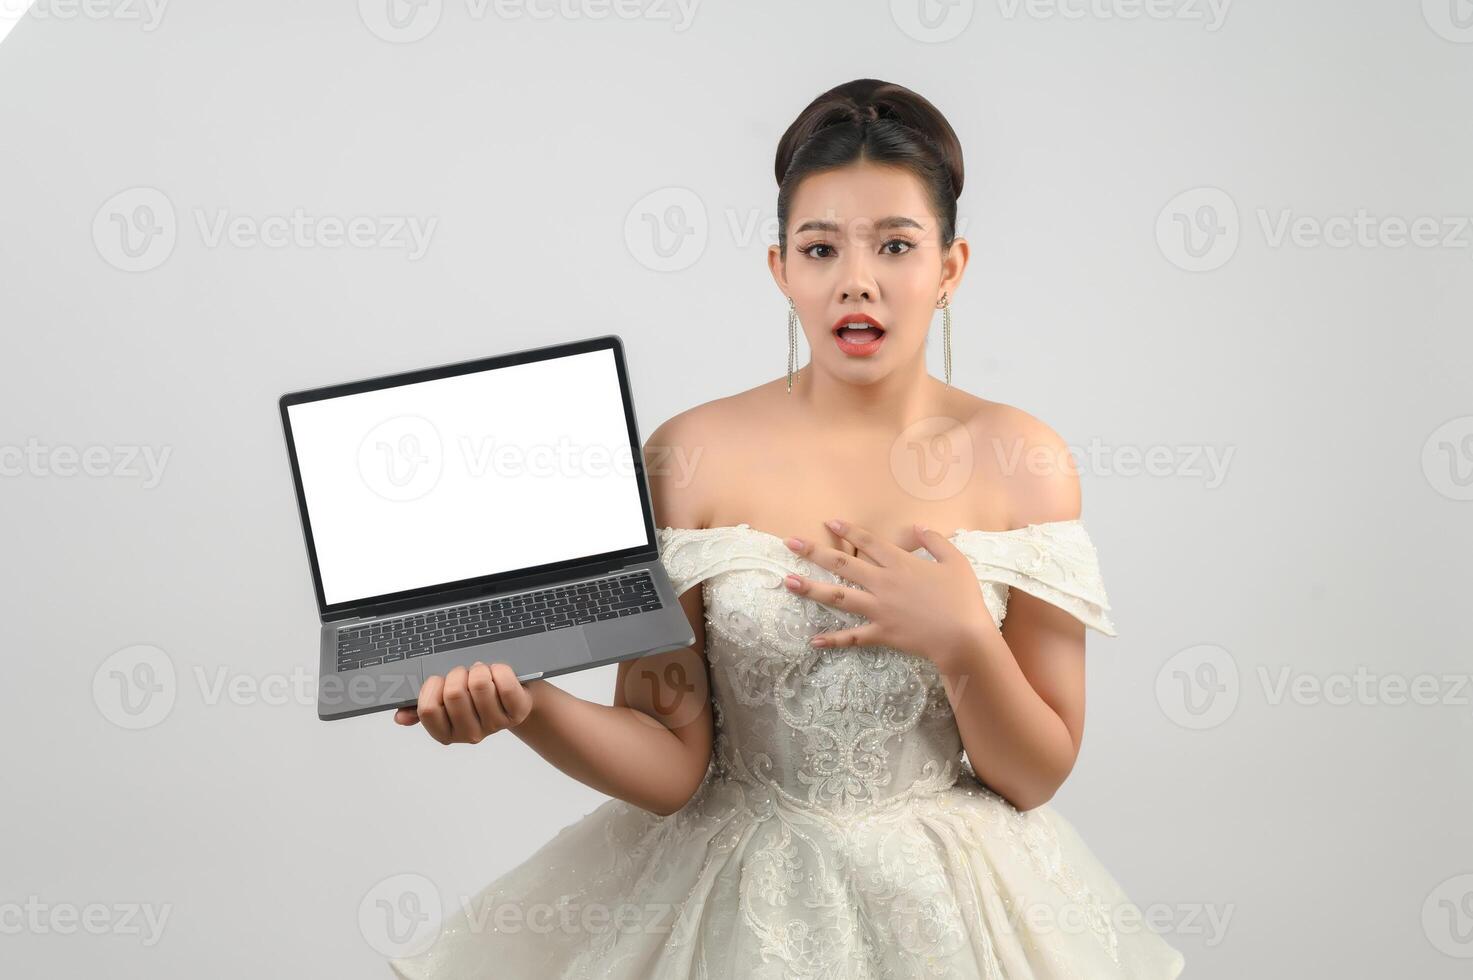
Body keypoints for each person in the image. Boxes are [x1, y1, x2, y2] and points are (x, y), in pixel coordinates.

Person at [389, 77, 1186, 978]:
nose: (857, 280)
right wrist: (527, 706)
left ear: (950, 267)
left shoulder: (1022, 459)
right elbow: (671, 763)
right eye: (820, 248)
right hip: (734, 909)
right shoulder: (688, 454)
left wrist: (963, 636)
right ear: (780, 269)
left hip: (945, 913)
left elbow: (1034, 776)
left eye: (895, 245)